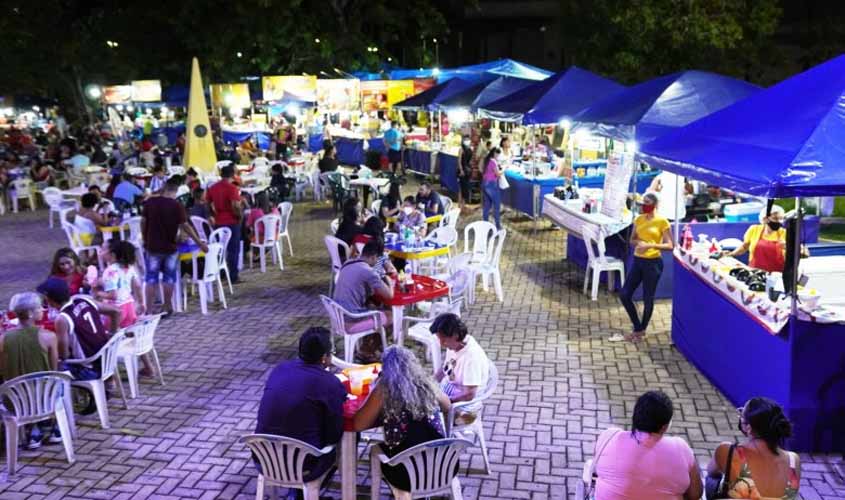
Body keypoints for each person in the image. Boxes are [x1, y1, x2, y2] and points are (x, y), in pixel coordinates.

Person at [255, 327, 346, 497]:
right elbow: (334, 435)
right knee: (343, 441)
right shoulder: (329, 383)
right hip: (305, 465)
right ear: (324, 357)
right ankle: (306, 492)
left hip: (264, 458)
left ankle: (296, 492)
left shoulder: (280, 369)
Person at [353, 346, 452, 491]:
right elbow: (447, 406)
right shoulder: (427, 384)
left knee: (375, 450)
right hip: (444, 465)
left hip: (405, 474)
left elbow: (358, 425)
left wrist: (375, 389)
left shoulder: (384, 389)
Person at [592, 390, 703, 500]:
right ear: (664, 427)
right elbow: (695, 494)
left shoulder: (608, 438)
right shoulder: (681, 449)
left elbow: (598, 471)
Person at [707, 397, 800, 500]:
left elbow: (711, 472)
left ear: (749, 428)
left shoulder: (728, 451)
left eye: (741, 415)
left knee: (712, 481)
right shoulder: (793, 460)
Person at [0, 292, 60, 449]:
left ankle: (33, 430)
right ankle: (53, 425)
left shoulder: (3, 339)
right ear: (30, 313)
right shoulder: (49, 337)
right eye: (39, 307)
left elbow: (3, 371)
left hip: (15, 401)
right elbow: (53, 370)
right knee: (59, 382)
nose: (43, 310)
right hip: (45, 399)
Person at [141, 177, 207, 316]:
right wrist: (199, 243)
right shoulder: (176, 205)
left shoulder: (150, 203)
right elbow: (185, 226)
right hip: (170, 247)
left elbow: (143, 222)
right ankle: (166, 306)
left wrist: (145, 238)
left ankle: (149, 310)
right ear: (175, 191)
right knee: (169, 278)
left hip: (152, 246)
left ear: (164, 188)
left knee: (151, 279)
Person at [614, 192, 672, 343]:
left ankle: (641, 330)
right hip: (638, 260)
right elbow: (632, 239)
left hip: (653, 263)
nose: (643, 206)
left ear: (654, 205)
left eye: (647, 203)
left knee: (648, 297)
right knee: (625, 294)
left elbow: (670, 245)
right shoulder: (638, 219)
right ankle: (638, 327)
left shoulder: (662, 222)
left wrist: (651, 245)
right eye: (642, 202)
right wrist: (638, 243)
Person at [36, 278, 116, 380]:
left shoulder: (62, 319)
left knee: (50, 365)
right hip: (107, 360)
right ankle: (108, 383)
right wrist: (111, 335)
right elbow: (116, 312)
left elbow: (64, 355)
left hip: (89, 369)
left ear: (50, 300)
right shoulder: (84, 300)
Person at [333, 239, 395, 362]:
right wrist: (390, 282)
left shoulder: (348, 263)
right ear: (373, 257)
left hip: (338, 316)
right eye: (377, 259)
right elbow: (389, 295)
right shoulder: (368, 271)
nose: (376, 262)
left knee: (373, 306)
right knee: (390, 316)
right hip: (350, 320)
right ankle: (367, 351)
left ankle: (367, 346)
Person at [430, 313, 490, 420]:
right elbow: (445, 368)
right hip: (448, 391)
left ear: (456, 335)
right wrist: (429, 383)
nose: (441, 344)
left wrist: (447, 403)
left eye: (443, 340)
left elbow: (469, 394)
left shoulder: (471, 358)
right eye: (439, 339)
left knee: (428, 417)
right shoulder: (454, 345)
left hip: (465, 406)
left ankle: (455, 422)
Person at [207, 165, 244, 284]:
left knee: (221, 249)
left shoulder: (213, 188)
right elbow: (235, 205)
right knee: (233, 249)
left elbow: (207, 203)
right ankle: (233, 276)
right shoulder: (232, 188)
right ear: (232, 175)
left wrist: (212, 215)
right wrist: (240, 216)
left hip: (218, 222)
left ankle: (222, 273)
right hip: (231, 221)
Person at [96, 239, 144, 328]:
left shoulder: (110, 271)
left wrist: (98, 293)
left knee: (111, 334)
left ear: (113, 254)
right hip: (130, 306)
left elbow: (113, 296)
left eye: (103, 249)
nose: (100, 252)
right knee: (128, 333)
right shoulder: (129, 267)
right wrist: (141, 303)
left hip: (115, 309)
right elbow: (138, 286)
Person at [724, 206, 787, 273]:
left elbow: (793, 252)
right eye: (775, 218)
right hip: (754, 272)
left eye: (781, 219)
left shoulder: (784, 233)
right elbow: (744, 247)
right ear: (765, 219)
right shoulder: (754, 229)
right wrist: (732, 254)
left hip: (776, 274)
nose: (779, 221)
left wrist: (787, 247)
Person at [481, 147, 503, 230]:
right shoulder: (493, 162)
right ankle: (498, 226)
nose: (498, 156)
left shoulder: (487, 160)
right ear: (495, 153)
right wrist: (504, 170)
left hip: (484, 183)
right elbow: (498, 174)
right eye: (498, 154)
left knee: (487, 205)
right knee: (496, 206)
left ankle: (485, 225)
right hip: (491, 184)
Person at [457, 136, 473, 212]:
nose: (467, 141)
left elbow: (470, 160)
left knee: (465, 188)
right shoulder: (461, 149)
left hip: (468, 171)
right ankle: (460, 205)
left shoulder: (470, 149)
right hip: (462, 170)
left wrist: (470, 167)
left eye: (468, 140)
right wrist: (461, 170)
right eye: (465, 140)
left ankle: (463, 205)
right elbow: (459, 161)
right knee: (462, 188)